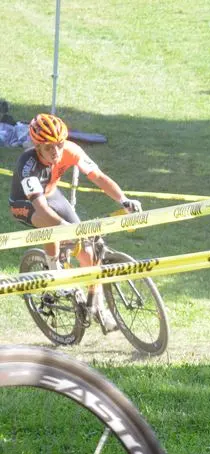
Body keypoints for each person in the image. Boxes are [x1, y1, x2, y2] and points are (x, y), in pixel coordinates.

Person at [7, 113, 143, 331]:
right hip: (26, 203)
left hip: (51, 194)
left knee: (88, 251)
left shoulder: (70, 150)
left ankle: (98, 307)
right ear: (37, 146)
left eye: (59, 145)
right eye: (49, 147)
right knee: (53, 226)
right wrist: (64, 228)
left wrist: (123, 199)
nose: (56, 152)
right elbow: (41, 208)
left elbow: (97, 176)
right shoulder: (28, 164)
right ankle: (54, 269)